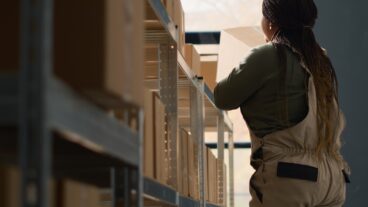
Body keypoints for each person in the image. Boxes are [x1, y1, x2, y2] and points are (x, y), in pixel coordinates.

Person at [213, 0, 351, 206]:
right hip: (332, 178)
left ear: (270, 23)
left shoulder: (268, 55)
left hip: (292, 177)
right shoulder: (320, 59)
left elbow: (223, 97)